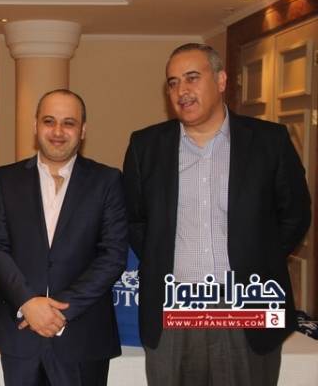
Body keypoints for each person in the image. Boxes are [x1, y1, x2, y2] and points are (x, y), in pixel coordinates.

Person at [123, 43, 311, 386]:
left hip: (248, 304)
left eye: (192, 78)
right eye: (173, 82)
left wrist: (259, 257)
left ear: (221, 80)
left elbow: (295, 214)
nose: (181, 90)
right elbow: (135, 220)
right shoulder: (145, 146)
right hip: (174, 306)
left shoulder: (269, 140)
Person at [0, 89, 128, 386]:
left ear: (83, 130)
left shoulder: (107, 181)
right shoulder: (5, 179)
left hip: (82, 336)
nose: (58, 131)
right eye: (49, 121)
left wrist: (60, 310)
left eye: (68, 123)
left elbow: (112, 256)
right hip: (20, 333)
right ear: (35, 126)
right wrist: (28, 303)